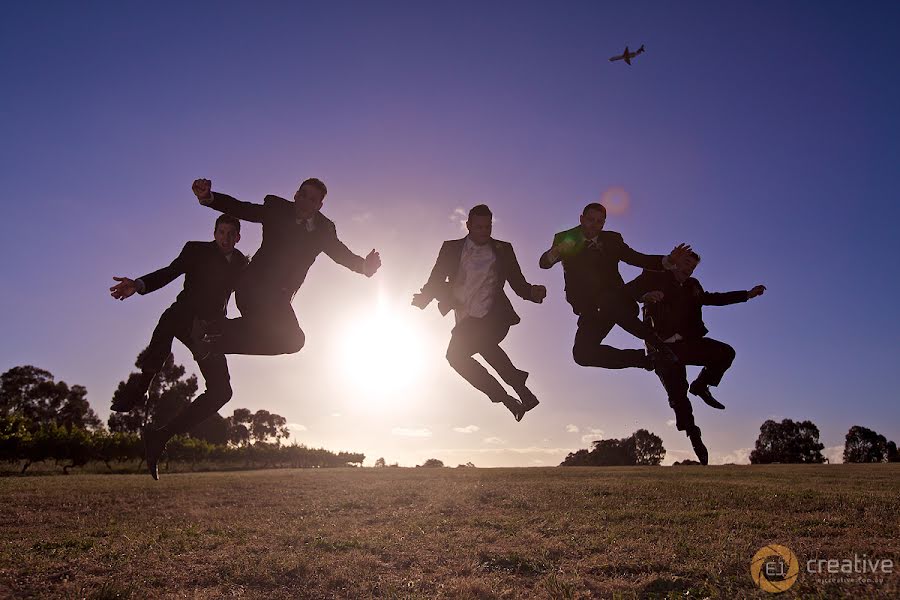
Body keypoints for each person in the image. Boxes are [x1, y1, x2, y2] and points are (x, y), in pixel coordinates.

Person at [109, 215, 248, 479]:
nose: (226, 238)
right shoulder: (195, 250)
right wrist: (138, 284)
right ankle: (140, 387)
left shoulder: (242, 262)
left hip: (211, 330)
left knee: (222, 391)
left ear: (238, 237)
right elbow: (170, 272)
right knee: (168, 323)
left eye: (232, 234)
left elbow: (249, 292)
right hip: (183, 318)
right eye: (221, 232)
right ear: (214, 233)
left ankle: (161, 437)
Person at [190, 177, 381, 357]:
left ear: (319, 206)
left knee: (294, 341)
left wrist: (364, 266)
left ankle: (212, 343)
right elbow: (242, 209)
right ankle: (213, 328)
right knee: (269, 324)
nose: (305, 202)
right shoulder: (276, 209)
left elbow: (340, 254)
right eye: (303, 195)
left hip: (279, 300)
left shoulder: (324, 230)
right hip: (252, 288)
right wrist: (209, 197)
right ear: (296, 195)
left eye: (312, 200)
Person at [626, 250, 766, 464]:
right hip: (662, 349)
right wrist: (644, 297)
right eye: (685, 264)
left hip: (687, 343)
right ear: (674, 263)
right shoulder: (655, 275)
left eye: (692, 267)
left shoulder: (693, 285)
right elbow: (629, 293)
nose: (688, 269)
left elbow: (712, 298)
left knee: (725, 352)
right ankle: (694, 435)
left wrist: (746, 294)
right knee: (678, 397)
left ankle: (701, 385)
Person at [413, 205, 547, 421]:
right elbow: (436, 278)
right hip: (466, 318)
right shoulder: (451, 248)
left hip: (495, 316)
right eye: (479, 227)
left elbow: (518, 283)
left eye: (488, 227)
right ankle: (516, 397)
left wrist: (533, 292)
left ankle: (515, 393)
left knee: (471, 348)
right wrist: (424, 298)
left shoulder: (503, 249)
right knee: (462, 356)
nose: (484, 231)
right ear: (468, 226)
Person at [539, 202, 690, 371]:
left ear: (604, 223)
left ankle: (659, 346)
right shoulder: (565, 238)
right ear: (581, 219)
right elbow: (544, 264)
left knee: (607, 300)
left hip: (618, 302)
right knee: (582, 354)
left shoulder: (612, 239)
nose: (594, 226)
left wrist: (668, 261)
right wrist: (557, 251)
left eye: (599, 222)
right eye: (590, 220)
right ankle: (646, 359)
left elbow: (637, 258)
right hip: (590, 309)